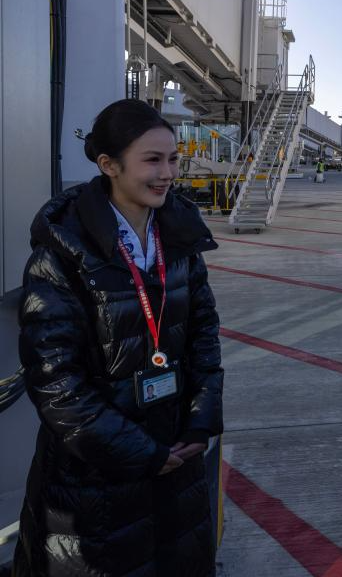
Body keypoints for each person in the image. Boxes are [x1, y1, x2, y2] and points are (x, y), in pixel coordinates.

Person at [13, 99, 224, 576]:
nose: (167, 173)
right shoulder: (62, 254)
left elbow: (205, 337)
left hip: (176, 459)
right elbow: (55, 381)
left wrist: (199, 424)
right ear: (109, 165)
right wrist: (141, 454)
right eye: (152, 160)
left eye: (173, 159)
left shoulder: (179, 239)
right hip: (95, 480)